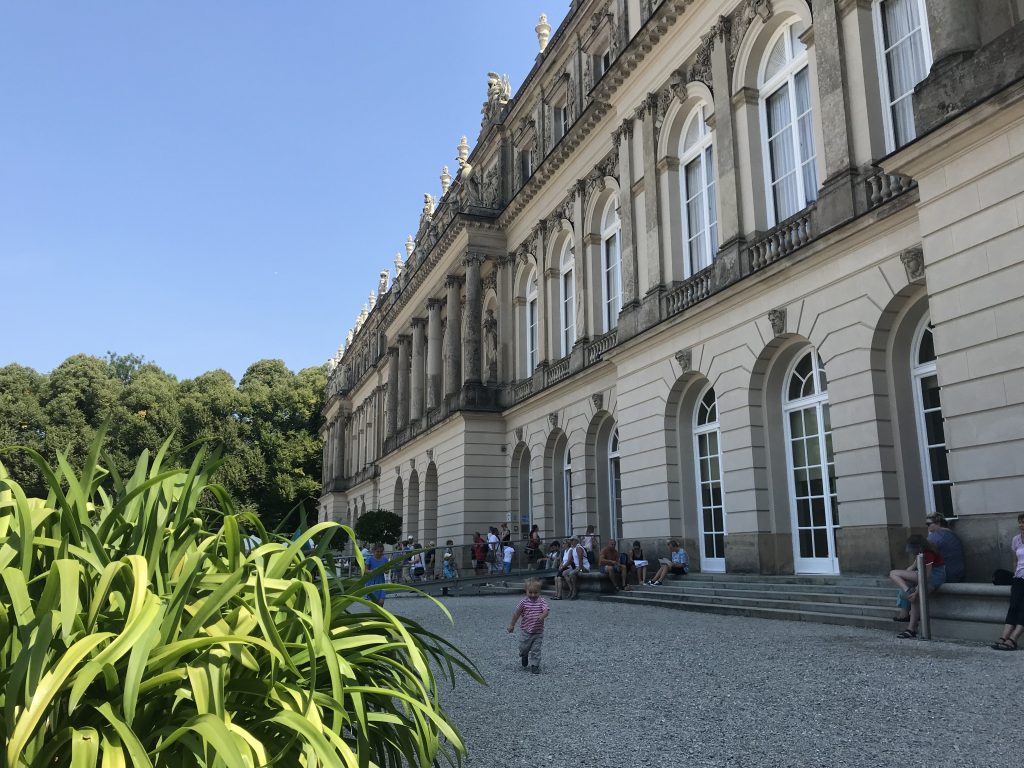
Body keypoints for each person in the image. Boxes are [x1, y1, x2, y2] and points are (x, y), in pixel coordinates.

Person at [889, 534, 946, 639]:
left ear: (918, 546)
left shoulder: (928, 554)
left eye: (911, 548)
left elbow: (927, 576)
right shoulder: (920, 553)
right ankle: (908, 591)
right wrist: (905, 580)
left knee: (917, 597)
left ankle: (911, 629)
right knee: (894, 574)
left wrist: (916, 592)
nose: (910, 550)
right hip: (922, 575)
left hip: (935, 576)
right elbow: (912, 568)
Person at [991, 513, 1024, 650]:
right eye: (1020, 522)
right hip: (1019, 577)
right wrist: (1015, 574)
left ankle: (1013, 639)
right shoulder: (1016, 539)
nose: (1022, 525)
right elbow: (1015, 560)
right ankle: (1004, 636)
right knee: (1013, 606)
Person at [507, 578, 550, 674]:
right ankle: (524, 655)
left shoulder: (541, 601)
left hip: (538, 632)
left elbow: (546, 610)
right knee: (523, 647)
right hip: (526, 631)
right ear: (526, 591)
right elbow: (516, 614)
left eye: (536, 592)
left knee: (536, 649)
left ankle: (535, 665)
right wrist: (512, 625)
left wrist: (543, 615)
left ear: (539, 592)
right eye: (530, 592)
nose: (533, 595)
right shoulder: (523, 602)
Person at [926, 514, 965, 582]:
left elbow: (923, 554)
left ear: (938, 523)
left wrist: (911, 568)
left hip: (946, 575)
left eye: (928, 524)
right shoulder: (952, 535)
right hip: (959, 574)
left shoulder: (935, 536)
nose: (927, 527)